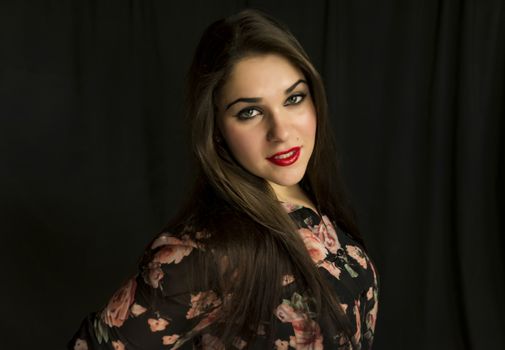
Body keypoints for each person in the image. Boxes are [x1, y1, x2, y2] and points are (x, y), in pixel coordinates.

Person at [68, 8, 379, 350]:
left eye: (294, 99)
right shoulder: (206, 251)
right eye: (250, 112)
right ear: (216, 127)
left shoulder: (311, 198)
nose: (281, 131)